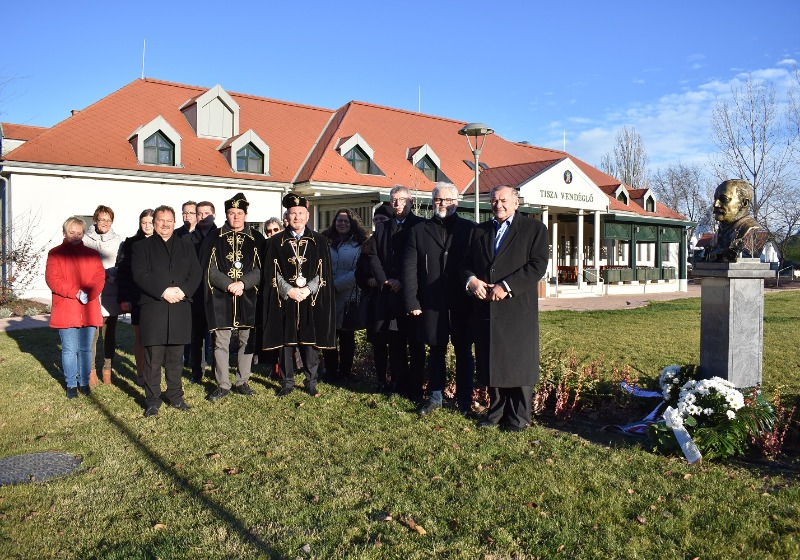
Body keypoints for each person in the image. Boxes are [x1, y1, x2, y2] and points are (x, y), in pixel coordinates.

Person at [462, 185, 549, 432]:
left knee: (518, 363)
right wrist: (472, 281)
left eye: (503, 200)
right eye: (493, 200)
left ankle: (519, 418)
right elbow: (465, 264)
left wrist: (506, 286)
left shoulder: (534, 229)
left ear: (516, 202)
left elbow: (538, 265)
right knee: (494, 363)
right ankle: (496, 413)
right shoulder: (479, 231)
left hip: (517, 307)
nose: (498, 204)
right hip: (487, 309)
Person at [403, 182, 475, 415]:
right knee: (435, 351)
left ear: (456, 201)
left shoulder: (471, 229)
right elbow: (410, 268)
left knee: (464, 351)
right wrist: (412, 301)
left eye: (447, 200)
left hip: (463, 303)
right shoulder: (419, 230)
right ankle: (435, 398)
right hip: (431, 302)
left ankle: (464, 401)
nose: (442, 204)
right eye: (438, 200)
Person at [261, 193, 335, 397]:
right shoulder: (276, 242)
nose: (297, 217)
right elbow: (272, 272)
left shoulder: (319, 241)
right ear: (287, 216)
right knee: (286, 342)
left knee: (309, 342)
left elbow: (323, 272)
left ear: (307, 216)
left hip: (310, 299)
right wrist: (289, 290)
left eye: (301, 213)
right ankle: (287, 382)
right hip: (286, 300)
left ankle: (311, 381)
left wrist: (307, 289)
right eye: (293, 213)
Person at [132, 205, 201, 416]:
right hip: (155, 309)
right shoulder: (141, 247)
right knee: (153, 359)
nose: (165, 224)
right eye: (161, 220)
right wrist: (163, 291)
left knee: (175, 359)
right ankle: (152, 400)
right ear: (154, 223)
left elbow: (196, 273)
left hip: (180, 308)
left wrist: (183, 291)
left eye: (169, 220)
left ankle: (175, 396)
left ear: (174, 222)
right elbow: (140, 275)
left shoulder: (186, 246)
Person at [365, 185, 425, 399]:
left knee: (415, 345)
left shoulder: (420, 226)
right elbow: (374, 257)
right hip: (389, 295)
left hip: (412, 295)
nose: (397, 203)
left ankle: (416, 388)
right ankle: (399, 385)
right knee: (395, 344)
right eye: (393, 200)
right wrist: (386, 281)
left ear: (410, 201)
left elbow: (419, 260)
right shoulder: (382, 228)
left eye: (401, 199)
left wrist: (403, 280)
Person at [204, 193, 264, 401]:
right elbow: (209, 269)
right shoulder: (214, 237)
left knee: (247, 340)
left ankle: (242, 380)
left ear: (246, 214)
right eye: (231, 213)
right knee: (221, 342)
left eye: (239, 213)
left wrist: (243, 283)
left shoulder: (257, 238)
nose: (236, 217)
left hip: (248, 297)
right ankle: (223, 384)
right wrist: (229, 284)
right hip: (221, 297)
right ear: (226, 215)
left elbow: (261, 269)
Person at [45, 217, 105, 398]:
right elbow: (53, 280)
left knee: (86, 349)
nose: (76, 236)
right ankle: (71, 383)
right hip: (66, 308)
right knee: (70, 349)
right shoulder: (55, 254)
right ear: (65, 232)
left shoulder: (92, 254)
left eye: (79, 233)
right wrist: (76, 292)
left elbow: (99, 277)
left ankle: (84, 382)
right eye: (72, 232)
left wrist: (90, 293)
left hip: (89, 307)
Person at [322, 208, 369, 381]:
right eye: (339, 220)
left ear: (353, 224)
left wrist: (334, 286)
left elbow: (358, 271)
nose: (342, 224)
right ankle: (330, 371)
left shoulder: (360, 244)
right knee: (329, 337)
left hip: (348, 296)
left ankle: (345, 373)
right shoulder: (326, 242)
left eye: (346, 221)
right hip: (326, 296)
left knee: (346, 337)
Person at [82, 205, 123, 386]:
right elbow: (82, 266)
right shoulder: (85, 240)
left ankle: (107, 369)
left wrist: (111, 274)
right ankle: (91, 371)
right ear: (96, 220)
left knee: (110, 333)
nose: (105, 223)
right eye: (102, 219)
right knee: (92, 334)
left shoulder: (118, 240)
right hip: (92, 292)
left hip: (110, 290)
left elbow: (121, 263)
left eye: (108, 219)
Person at [116, 209, 155, 385]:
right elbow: (122, 272)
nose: (147, 226)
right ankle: (141, 373)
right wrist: (124, 298)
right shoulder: (130, 243)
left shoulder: (162, 241)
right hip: (137, 296)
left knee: (156, 338)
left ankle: (153, 372)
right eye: (144, 222)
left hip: (158, 298)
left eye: (150, 222)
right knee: (140, 336)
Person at [188, 201, 218, 382]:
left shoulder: (221, 237)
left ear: (213, 215)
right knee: (196, 337)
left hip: (216, 293)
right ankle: (196, 372)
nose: (203, 217)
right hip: (196, 294)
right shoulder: (188, 239)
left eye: (207, 213)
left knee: (217, 337)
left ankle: (217, 371)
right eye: (199, 213)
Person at [705, 179, 765, 263]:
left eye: (724, 199)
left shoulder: (754, 234)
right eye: (715, 199)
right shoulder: (717, 236)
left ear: (744, 203)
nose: (716, 204)